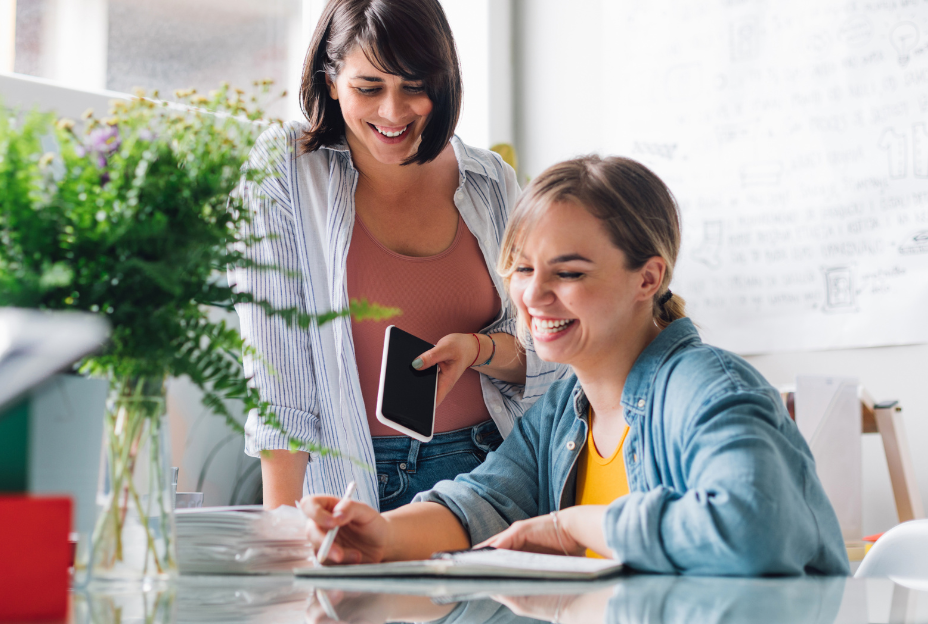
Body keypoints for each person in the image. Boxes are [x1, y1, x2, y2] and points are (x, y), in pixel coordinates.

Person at [298, 155, 848, 575]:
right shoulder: (567, 406)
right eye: (522, 267)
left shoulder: (708, 388)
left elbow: (754, 531)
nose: (533, 295)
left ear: (648, 278)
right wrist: (379, 535)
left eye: (570, 273)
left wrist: (576, 524)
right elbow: (485, 500)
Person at [232, 0, 566, 511]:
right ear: (329, 80)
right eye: (369, 88)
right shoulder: (287, 171)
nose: (393, 112)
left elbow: (546, 352)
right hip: (354, 481)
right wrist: (282, 535)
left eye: (415, 87)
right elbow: (278, 376)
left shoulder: (490, 181)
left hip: (496, 466)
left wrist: (478, 350)